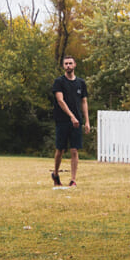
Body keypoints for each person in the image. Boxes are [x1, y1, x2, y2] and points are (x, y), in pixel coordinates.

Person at [52, 56, 90, 187]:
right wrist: (71, 116)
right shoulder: (59, 82)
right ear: (63, 66)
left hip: (77, 122)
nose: (68, 65)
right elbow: (60, 101)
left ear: (75, 65)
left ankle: (73, 179)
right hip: (62, 120)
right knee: (60, 150)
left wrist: (87, 121)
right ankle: (55, 174)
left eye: (70, 63)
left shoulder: (81, 83)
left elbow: (84, 102)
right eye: (66, 63)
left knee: (74, 150)